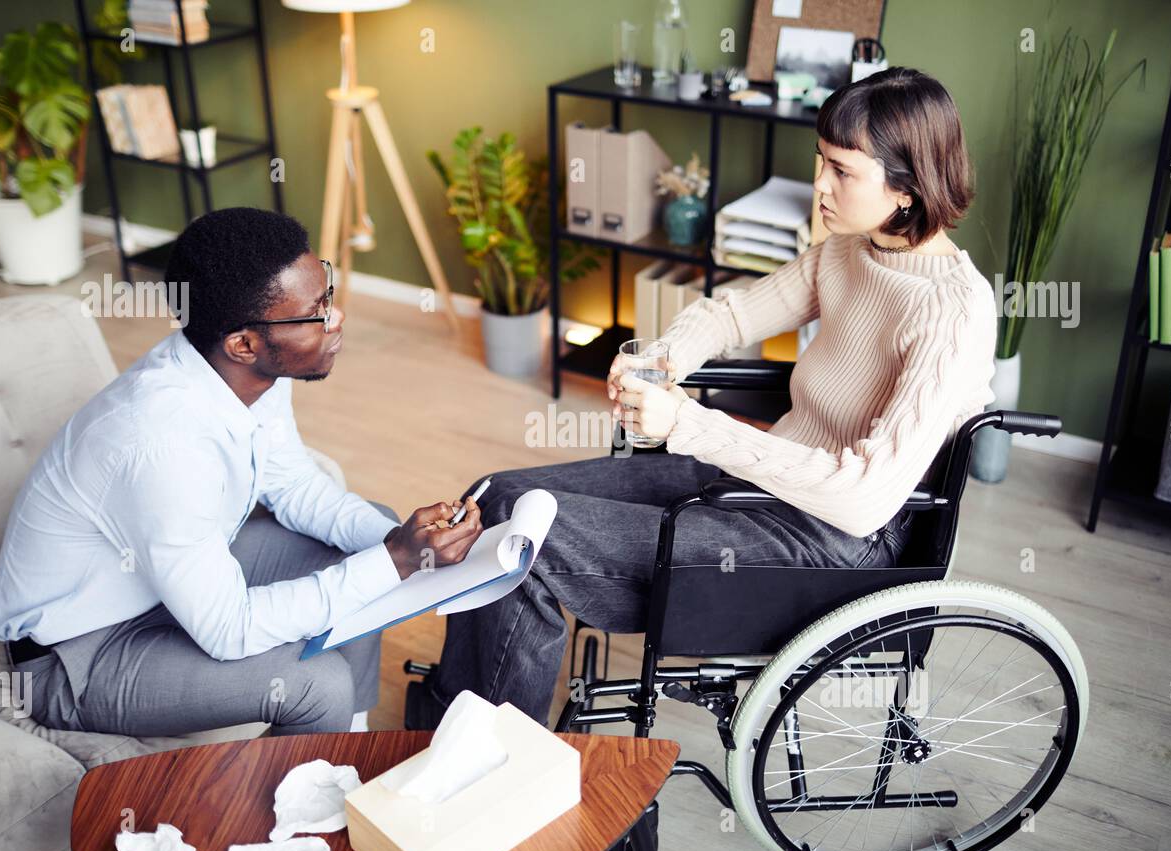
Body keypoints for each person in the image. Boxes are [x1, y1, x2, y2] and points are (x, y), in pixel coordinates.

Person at [405, 67, 997, 730]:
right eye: (819, 162)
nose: (820, 186)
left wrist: (688, 424)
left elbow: (863, 499)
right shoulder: (849, 251)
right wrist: (663, 364)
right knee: (494, 495)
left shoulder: (954, 310)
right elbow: (730, 313)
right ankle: (445, 722)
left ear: (910, 184)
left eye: (841, 171)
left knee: (529, 533)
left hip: (827, 539)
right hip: (755, 477)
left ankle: (486, 759)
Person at [0, 207, 483, 737]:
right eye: (315, 314)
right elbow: (228, 630)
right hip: (80, 651)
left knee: (373, 531)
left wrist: (405, 544)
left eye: (327, 295)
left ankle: (349, 739)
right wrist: (396, 561)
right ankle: (305, 796)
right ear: (243, 344)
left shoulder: (248, 370)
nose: (336, 320)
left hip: (162, 584)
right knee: (319, 684)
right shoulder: (163, 443)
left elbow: (294, 485)